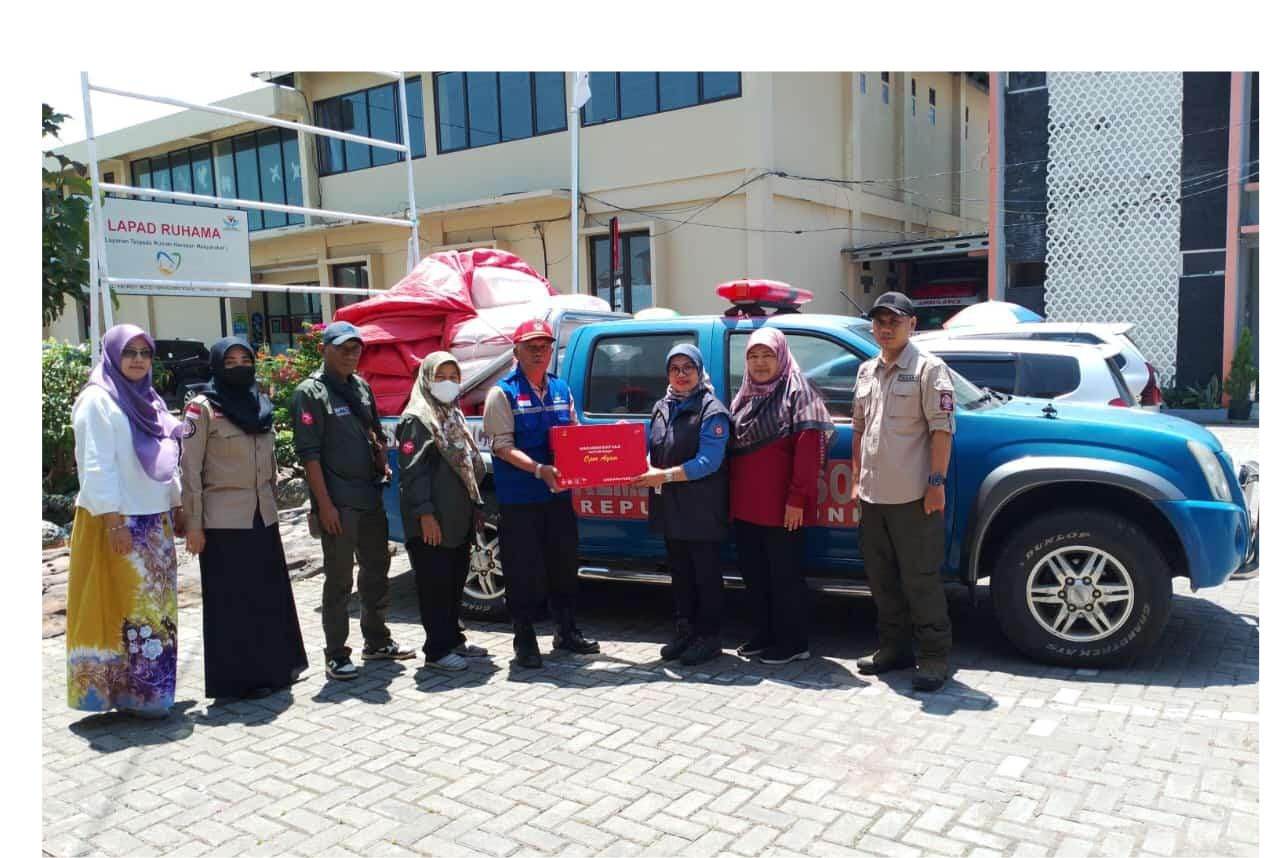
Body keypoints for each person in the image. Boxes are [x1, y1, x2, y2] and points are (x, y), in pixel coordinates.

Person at [66, 324, 186, 718]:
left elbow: (166, 462)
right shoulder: (97, 401)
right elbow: (96, 466)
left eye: (144, 353)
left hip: (154, 522)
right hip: (116, 521)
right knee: (121, 608)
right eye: (129, 352)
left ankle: (148, 694)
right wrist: (115, 523)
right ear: (112, 356)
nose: (137, 360)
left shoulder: (149, 400)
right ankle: (119, 694)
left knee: (155, 611)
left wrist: (177, 505)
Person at [180, 337, 309, 699]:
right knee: (234, 603)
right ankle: (240, 680)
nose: (239, 366)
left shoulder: (260, 404)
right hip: (222, 520)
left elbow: (267, 466)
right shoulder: (201, 408)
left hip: (262, 514)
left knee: (268, 596)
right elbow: (189, 469)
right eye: (231, 360)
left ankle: (276, 668)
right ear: (217, 365)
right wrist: (194, 524)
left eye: (245, 359)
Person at [292, 321, 414, 681]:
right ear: (325, 349)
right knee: (340, 579)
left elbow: (374, 430)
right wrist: (324, 506)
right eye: (343, 347)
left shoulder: (360, 386)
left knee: (377, 571)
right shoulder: (310, 393)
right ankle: (335, 653)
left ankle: (376, 641)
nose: (350, 354)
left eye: (356, 348)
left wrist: (382, 461)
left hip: (369, 494)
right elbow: (309, 456)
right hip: (339, 503)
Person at [851, 292, 957, 692]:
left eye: (894, 321)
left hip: (914, 497)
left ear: (912, 324)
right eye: (879, 321)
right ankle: (894, 649)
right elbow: (860, 428)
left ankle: (933, 656)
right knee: (882, 579)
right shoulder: (866, 371)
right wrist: (857, 479)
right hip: (873, 497)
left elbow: (942, 429)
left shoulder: (930, 370)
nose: (886, 328)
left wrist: (936, 484)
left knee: (920, 579)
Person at [482, 318, 598, 669]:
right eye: (530, 346)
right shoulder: (502, 393)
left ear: (551, 351)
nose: (538, 352)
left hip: (559, 499)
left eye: (544, 346)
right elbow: (501, 446)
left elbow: (575, 436)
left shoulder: (562, 389)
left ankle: (566, 631)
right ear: (516, 351)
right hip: (521, 501)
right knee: (523, 572)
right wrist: (538, 470)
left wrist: (605, 450)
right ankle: (525, 640)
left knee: (564, 566)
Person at [728, 327, 835, 665]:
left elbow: (807, 454)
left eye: (767, 355)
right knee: (755, 575)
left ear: (782, 356)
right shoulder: (746, 393)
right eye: (753, 356)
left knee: (784, 577)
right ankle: (765, 635)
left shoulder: (798, 392)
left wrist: (796, 501)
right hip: (747, 507)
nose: (760, 363)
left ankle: (793, 642)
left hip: (783, 508)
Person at [631, 344, 731, 666]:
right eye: (675, 368)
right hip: (671, 506)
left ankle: (709, 638)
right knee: (681, 574)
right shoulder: (662, 406)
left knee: (705, 575)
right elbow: (654, 448)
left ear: (700, 371)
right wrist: (645, 465)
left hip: (702, 509)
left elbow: (709, 461)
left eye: (688, 367)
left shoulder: (712, 410)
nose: (682, 374)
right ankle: (685, 632)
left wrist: (664, 476)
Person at [396, 351, 489, 672]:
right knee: (434, 585)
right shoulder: (418, 418)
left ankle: (453, 638)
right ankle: (436, 650)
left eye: (454, 376)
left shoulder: (451, 413)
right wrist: (425, 515)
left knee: (453, 581)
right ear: (426, 379)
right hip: (432, 520)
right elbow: (413, 472)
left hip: (457, 517)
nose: (448, 383)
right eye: (441, 377)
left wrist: (476, 505)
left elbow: (465, 465)